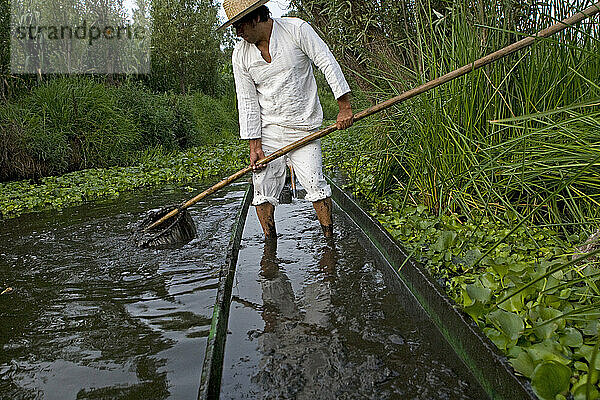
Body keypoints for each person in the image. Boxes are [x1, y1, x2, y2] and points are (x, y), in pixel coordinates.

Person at [220, 0, 353, 239]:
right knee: (261, 191)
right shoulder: (241, 54)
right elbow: (247, 101)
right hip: (269, 132)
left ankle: (329, 238)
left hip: (304, 128)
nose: (237, 32)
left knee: (315, 186)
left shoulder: (296, 30)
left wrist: (344, 107)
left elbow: (327, 62)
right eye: (234, 27)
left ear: (256, 18)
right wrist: (255, 147)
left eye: (240, 25)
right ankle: (269, 244)